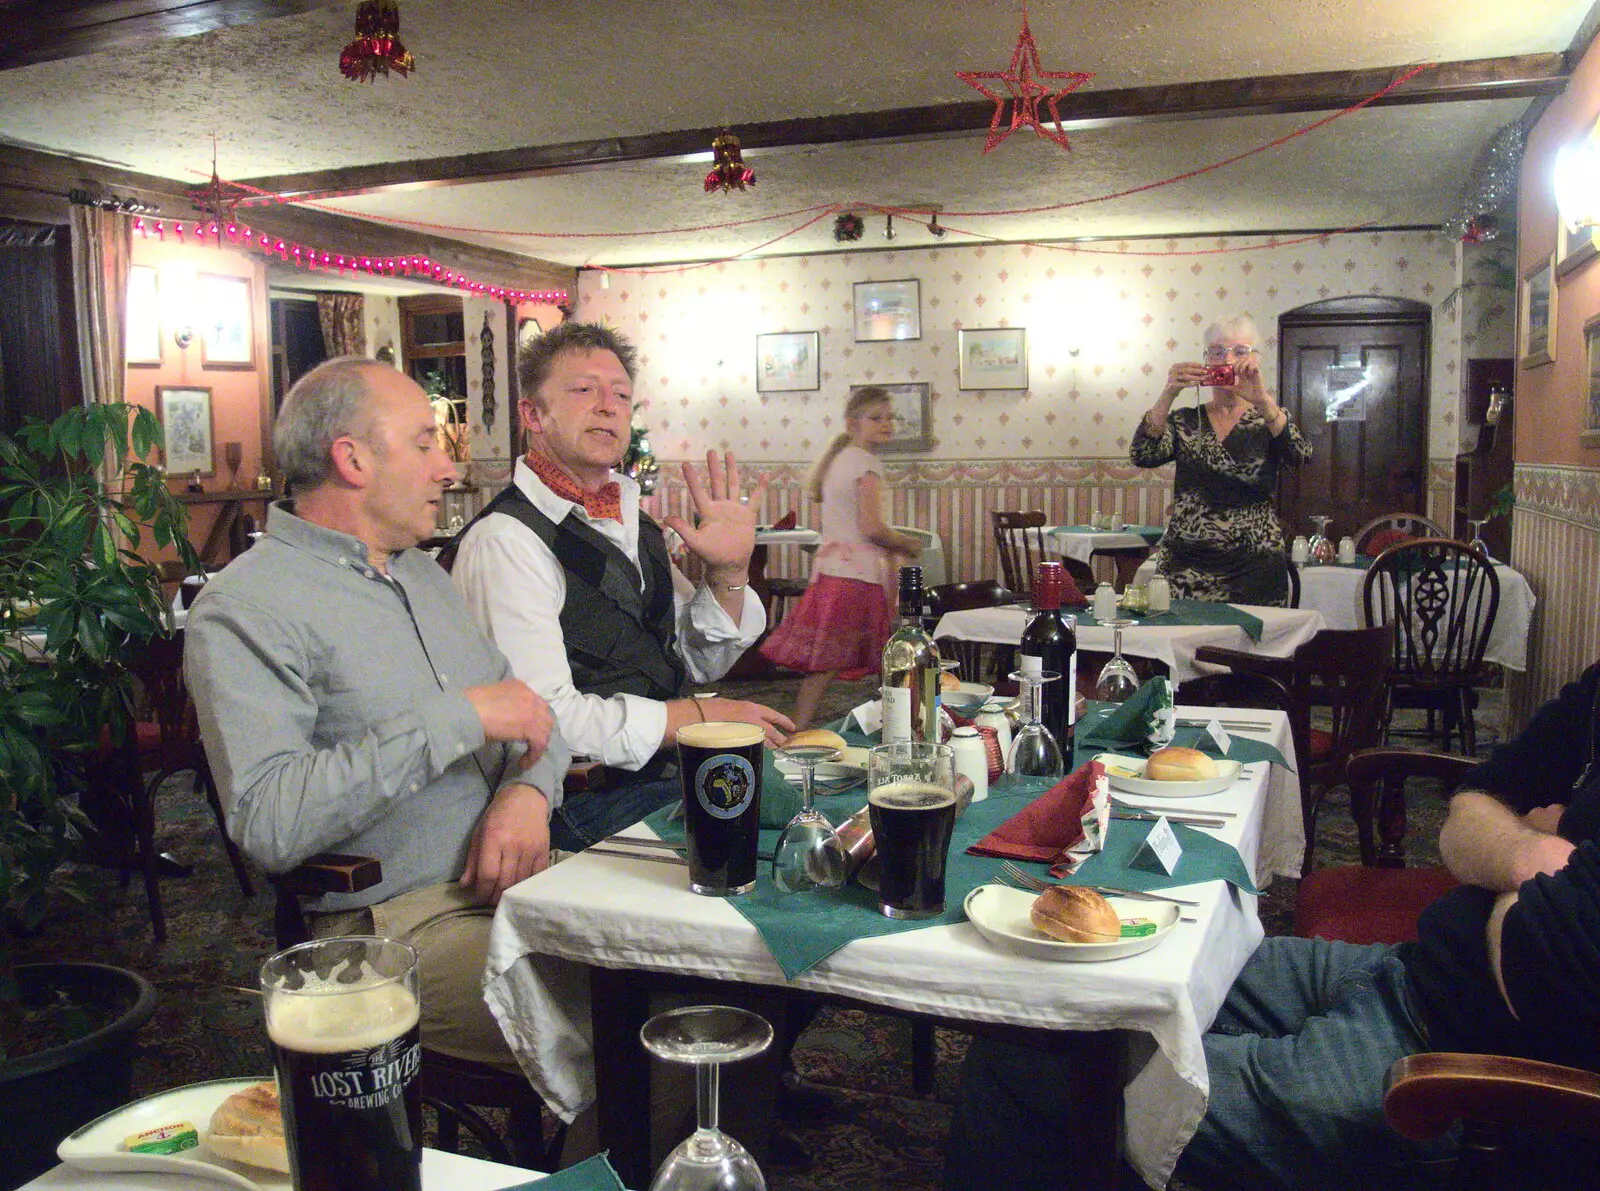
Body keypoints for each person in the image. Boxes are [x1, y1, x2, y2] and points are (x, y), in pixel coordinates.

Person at [944, 666, 1600, 1191]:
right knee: (1088, 988)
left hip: (1452, 1073)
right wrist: (1525, 857)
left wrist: (1522, 868)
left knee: (1022, 1061)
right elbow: (1470, 807)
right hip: (1404, 971)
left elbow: (1535, 956)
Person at [187, 356, 569, 1072]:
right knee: (634, 1011)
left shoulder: (424, 572)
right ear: (353, 458)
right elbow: (269, 822)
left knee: (718, 959)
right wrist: (455, 718)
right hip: (382, 930)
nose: (448, 468)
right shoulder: (244, 606)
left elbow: (534, 717)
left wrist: (526, 793)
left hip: (518, 885)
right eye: (425, 442)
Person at [449, 321, 792, 852]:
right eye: (584, 390)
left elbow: (693, 663)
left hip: (662, 775)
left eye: (622, 395)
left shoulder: (638, 524)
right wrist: (699, 717)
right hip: (574, 803)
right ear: (533, 415)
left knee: (817, 804)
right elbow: (539, 720)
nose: (608, 405)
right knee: (776, 844)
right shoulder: (505, 541)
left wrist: (727, 576)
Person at [757, 385, 923, 729]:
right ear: (852, 423)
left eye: (889, 417)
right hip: (856, 574)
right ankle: (903, 724)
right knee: (874, 657)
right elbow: (872, 527)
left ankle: (799, 726)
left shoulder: (841, 459)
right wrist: (906, 543)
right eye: (875, 417)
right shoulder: (866, 464)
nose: (886, 423)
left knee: (831, 660)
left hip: (835, 570)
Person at [1130, 315, 1311, 606]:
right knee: (1189, 648)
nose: (1227, 360)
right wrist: (1169, 393)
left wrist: (1263, 400)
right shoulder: (1185, 420)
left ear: (1255, 360)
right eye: (1217, 352)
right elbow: (1143, 454)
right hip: (1187, 568)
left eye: (1240, 351)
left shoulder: (1270, 419)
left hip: (1255, 568)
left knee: (1251, 650)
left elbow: (1300, 458)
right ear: (1206, 362)